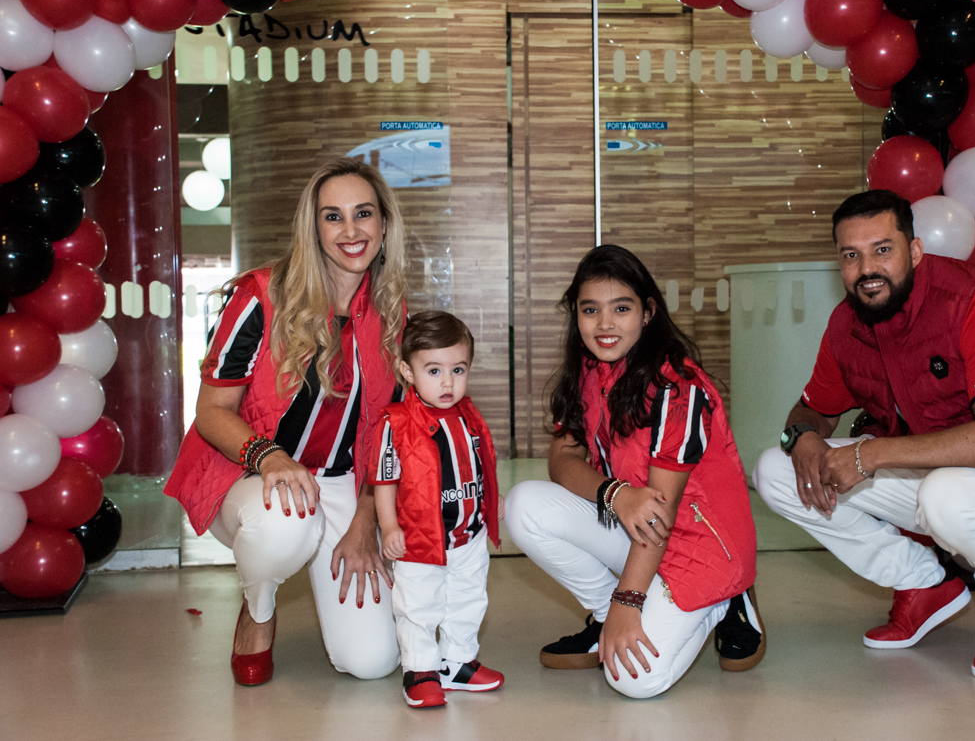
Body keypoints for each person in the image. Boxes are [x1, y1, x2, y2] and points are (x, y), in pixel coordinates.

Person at [753, 190, 975, 680]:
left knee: (948, 494)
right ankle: (923, 583)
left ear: (915, 251)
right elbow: (811, 410)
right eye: (851, 255)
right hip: (939, 471)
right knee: (775, 470)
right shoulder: (848, 323)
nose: (867, 269)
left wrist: (870, 455)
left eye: (882, 250)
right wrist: (804, 437)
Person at [165, 157, 408, 685]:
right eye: (332, 216)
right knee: (286, 523)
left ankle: (322, 555)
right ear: (313, 228)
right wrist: (270, 457)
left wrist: (365, 520)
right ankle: (259, 610)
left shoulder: (392, 312)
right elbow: (211, 412)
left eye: (363, 213)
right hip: (249, 476)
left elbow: (387, 431)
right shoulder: (260, 295)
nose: (350, 231)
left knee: (371, 662)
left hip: (342, 482)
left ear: (384, 224)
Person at [505, 244, 764, 699]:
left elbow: (659, 511)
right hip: (635, 523)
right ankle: (605, 613)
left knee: (633, 680)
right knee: (524, 505)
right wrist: (615, 494)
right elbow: (562, 461)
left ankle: (726, 598)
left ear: (647, 313)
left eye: (621, 308)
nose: (604, 324)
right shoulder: (589, 369)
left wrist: (631, 600)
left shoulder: (678, 387)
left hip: (700, 547)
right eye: (591, 310)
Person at [369, 311, 505, 709]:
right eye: (434, 370)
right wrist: (389, 527)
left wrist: (488, 506)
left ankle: (458, 662)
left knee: (468, 599)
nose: (448, 382)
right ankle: (421, 669)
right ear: (407, 372)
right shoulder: (395, 423)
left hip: (468, 535)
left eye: (457, 370)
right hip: (420, 539)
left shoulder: (468, 415)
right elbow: (384, 481)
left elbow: (480, 465)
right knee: (419, 604)